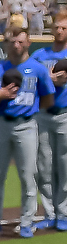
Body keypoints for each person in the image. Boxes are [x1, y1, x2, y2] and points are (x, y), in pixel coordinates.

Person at [0, 19, 55, 237]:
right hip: (1, 123)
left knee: (28, 174)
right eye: (13, 42)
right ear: (7, 44)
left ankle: (26, 221)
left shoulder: (38, 70)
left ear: (28, 42)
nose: (16, 46)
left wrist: (30, 110)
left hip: (27, 125)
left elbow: (48, 99)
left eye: (21, 41)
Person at [36, 15, 67, 231]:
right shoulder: (40, 55)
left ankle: (63, 213)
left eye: (64, 27)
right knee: (44, 166)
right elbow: (29, 82)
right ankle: (49, 212)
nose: (59, 30)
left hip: (65, 114)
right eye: (56, 27)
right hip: (43, 114)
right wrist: (47, 79)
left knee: (64, 166)